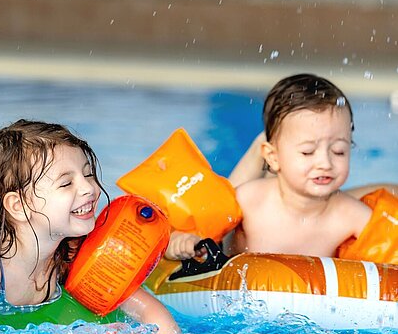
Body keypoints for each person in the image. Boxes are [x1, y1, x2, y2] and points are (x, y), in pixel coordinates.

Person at [0, 119, 179, 334]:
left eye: (88, 174)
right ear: (19, 206)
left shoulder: (72, 255)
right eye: (66, 183)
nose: (89, 188)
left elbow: (151, 314)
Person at [165, 73, 394, 260]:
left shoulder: (352, 215)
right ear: (272, 157)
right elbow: (199, 228)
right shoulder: (249, 200)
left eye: (339, 151)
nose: (325, 163)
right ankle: (263, 147)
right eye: (307, 152)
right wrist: (183, 242)